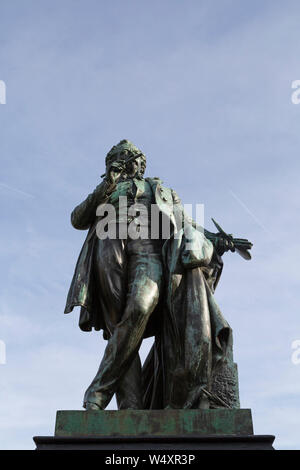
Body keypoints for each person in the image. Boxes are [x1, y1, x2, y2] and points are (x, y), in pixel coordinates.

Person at [64, 139, 237, 410]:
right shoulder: (106, 191)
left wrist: (216, 239)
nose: (124, 163)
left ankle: (97, 391)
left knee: (139, 309)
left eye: (128, 158)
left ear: (140, 163)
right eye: (117, 159)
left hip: (149, 249)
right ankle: (131, 410)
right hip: (109, 246)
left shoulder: (161, 190)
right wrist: (106, 185)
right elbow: (77, 218)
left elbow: (186, 223)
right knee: (117, 325)